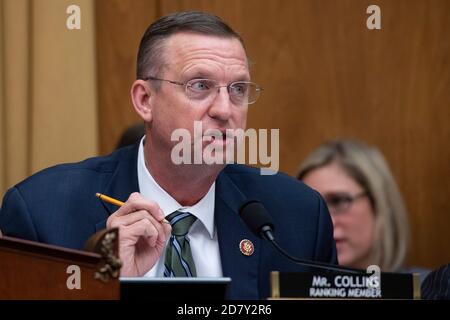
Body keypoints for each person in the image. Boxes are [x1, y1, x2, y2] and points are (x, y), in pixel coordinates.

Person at [0, 11, 336, 299]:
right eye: (200, 85)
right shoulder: (42, 213)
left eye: (238, 89)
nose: (224, 110)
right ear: (145, 100)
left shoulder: (298, 217)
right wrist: (109, 288)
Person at [297, 139, 428, 281]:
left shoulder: (430, 290)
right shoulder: (283, 292)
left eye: (339, 201)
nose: (325, 222)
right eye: (311, 207)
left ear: (379, 203)